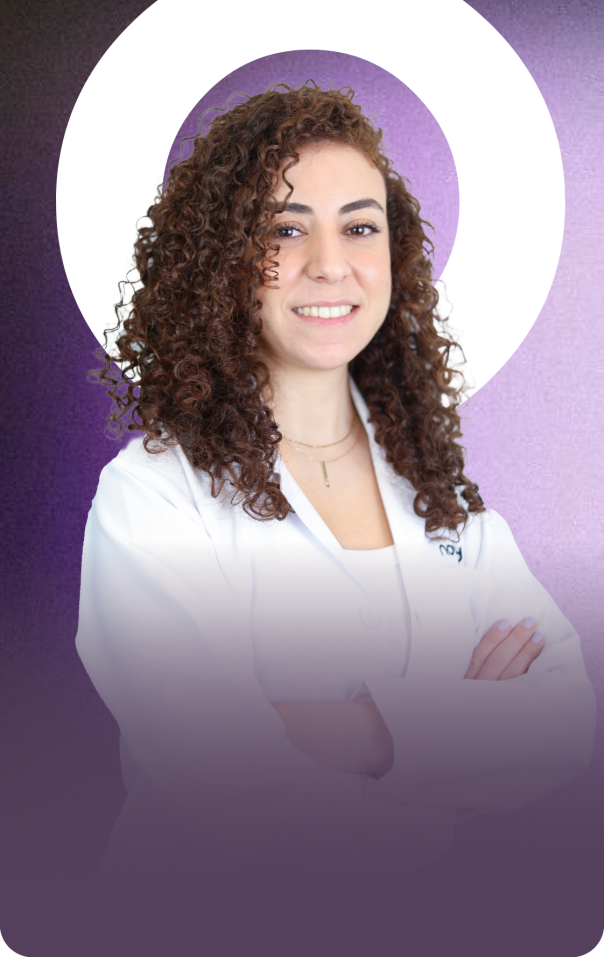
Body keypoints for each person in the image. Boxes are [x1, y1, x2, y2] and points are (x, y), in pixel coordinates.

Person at [78, 82, 595, 956]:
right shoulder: (152, 496)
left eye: (360, 227)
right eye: (284, 230)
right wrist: (458, 728)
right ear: (222, 260)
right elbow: (236, 797)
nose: (330, 264)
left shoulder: (437, 493)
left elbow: (567, 721)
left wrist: (356, 729)